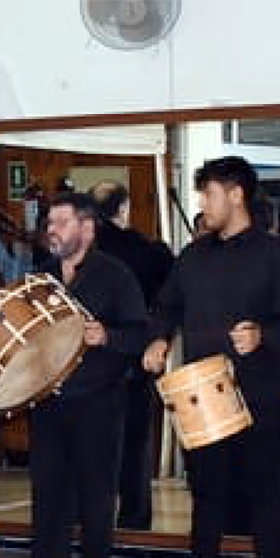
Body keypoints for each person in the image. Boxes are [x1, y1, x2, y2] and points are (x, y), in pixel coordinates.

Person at [142, 156, 280, 558]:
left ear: (236, 194)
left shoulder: (274, 254)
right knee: (207, 490)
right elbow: (166, 306)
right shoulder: (194, 256)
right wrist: (159, 338)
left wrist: (263, 335)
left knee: (264, 491)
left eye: (209, 193)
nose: (204, 203)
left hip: (262, 391)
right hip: (205, 395)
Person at [22, 193, 147, 558]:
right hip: (49, 401)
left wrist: (106, 336)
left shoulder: (116, 276)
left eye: (61, 221)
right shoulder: (39, 278)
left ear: (87, 228)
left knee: (96, 495)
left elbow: (139, 335)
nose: (51, 230)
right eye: (49, 222)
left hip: (99, 402)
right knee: (48, 494)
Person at [90, 181, 173, 530]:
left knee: (93, 448)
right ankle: (135, 520)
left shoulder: (82, 253)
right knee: (135, 445)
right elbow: (170, 299)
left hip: (88, 364)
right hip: (135, 360)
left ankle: (93, 520)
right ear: (123, 209)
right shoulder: (149, 252)